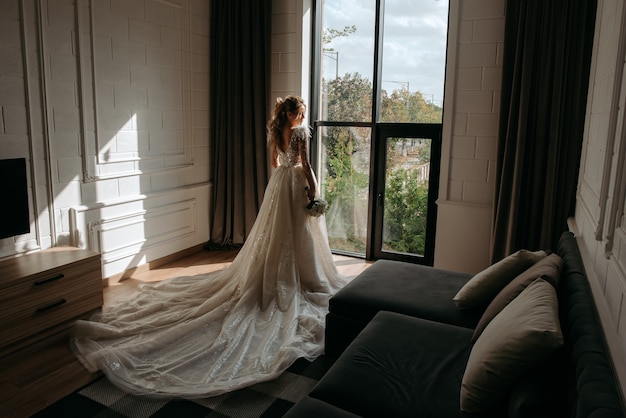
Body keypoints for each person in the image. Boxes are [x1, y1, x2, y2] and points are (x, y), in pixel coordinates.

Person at [70, 95, 347, 398]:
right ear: (294, 114)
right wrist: (311, 191)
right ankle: (302, 276)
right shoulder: (299, 134)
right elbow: (305, 163)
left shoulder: (276, 132)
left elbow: (274, 162)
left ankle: (279, 272)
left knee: (277, 235)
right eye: (301, 113)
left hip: (279, 183)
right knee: (298, 233)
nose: (303, 118)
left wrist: (287, 172)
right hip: (294, 184)